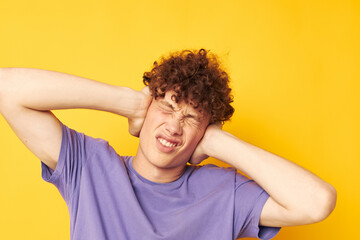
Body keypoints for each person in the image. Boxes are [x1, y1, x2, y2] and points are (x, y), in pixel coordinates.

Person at [0, 49, 336, 240]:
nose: (174, 126)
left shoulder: (223, 192)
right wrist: (126, 103)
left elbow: (317, 202)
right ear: (148, 108)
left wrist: (221, 143)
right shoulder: (89, 166)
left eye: (192, 118)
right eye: (168, 106)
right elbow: (7, 88)